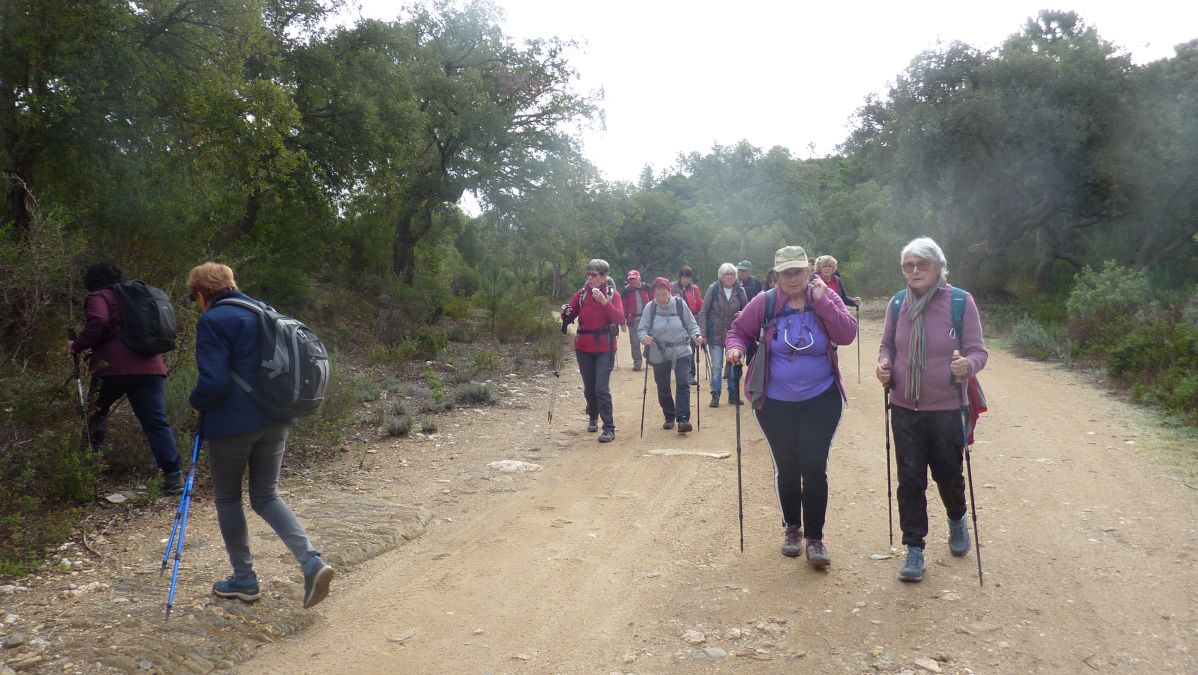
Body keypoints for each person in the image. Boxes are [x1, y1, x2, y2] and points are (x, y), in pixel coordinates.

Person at [187, 262, 334, 608]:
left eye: (193, 298)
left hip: (233, 425)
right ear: (230, 284)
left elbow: (214, 382)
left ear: (200, 294)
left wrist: (196, 403)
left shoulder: (213, 321)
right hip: (277, 417)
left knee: (227, 499)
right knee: (266, 495)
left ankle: (244, 579)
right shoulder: (265, 311)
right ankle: (311, 561)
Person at [725, 245, 857, 569]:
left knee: (813, 466)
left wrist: (824, 301)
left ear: (808, 271)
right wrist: (735, 350)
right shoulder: (766, 301)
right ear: (777, 275)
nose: (794, 278)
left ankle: (815, 538)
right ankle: (792, 530)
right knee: (787, 466)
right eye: (787, 273)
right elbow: (737, 332)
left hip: (821, 399)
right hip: (774, 402)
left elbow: (848, 333)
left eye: (798, 271)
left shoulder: (823, 296)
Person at [875, 237, 988, 583]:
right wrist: (884, 364)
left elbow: (978, 351)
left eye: (921, 264)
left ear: (938, 266)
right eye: (908, 265)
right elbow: (887, 347)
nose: (914, 271)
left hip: (946, 407)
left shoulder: (959, 302)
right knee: (909, 480)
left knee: (948, 474)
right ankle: (914, 549)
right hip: (905, 406)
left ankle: (957, 519)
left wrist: (965, 366)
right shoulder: (897, 304)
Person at [69, 262, 182, 494]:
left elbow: (98, 321)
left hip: (114, 368)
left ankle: (89, 473)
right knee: (155, 421)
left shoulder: (98, 296)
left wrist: (78, 345)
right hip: (152, 366)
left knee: (95, 414)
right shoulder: (136, 297)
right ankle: (173, 476)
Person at [561, 259, 625, 443]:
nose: (590, 278)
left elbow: (619, 318)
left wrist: (604, 302)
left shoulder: (613, 295)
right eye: (588, 274)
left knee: (601, 388)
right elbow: (570, 315)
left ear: (604, 277)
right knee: (589, 388)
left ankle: (609, 428)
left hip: (605, 348)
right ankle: (592, 415)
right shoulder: (581, 294)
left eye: (594, 275)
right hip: (583, 347)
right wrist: (565, 311)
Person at [638, 277, 705, 432]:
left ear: (669, 291)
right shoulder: (651, 307)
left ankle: (682, 419)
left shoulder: (680, 304)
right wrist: (644, 338)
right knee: (663, 386)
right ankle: (669, 415)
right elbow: (642, 329)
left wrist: (696, 335)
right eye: (658, 295)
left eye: (664, 294)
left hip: (681, 350)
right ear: (653, 294)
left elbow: (691, 324)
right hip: (658, 351)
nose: (661, 298)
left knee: (682, 382)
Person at [698, 263, 748, 407]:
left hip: (735, 335)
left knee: (735, 365)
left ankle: (733, 395)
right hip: (715, 334)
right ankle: (715, 395)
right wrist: (703, 334)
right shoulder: (713, 289)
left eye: (732, 274)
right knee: (717, 366)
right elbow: (703, 312)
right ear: (721, 276)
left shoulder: (740, 290)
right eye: (727, 274)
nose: (730, 276)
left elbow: (747, 310)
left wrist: (743, 314)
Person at [672, 266, 704, 386]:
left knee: (691, 349)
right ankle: (680, 371)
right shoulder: (672, 287)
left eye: (688, 277)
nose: (686, 280)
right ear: (680, 277)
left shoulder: (694, 289)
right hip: (676, 323)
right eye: (684, 277)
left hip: (692, 322)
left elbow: (700, 305)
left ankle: (691, 374)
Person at [620, 270, 651, 372]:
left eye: (634, 278)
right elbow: (623, 307)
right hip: (632, 319)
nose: (632, 281)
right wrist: (622, 322)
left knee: (649, 340)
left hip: (647, 319)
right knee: (634, 342)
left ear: (639, 278)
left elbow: (653, 301)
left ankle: (648, 355)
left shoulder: (647, 288)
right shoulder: (626, 291)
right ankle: (637, 363)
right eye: (630, 279)